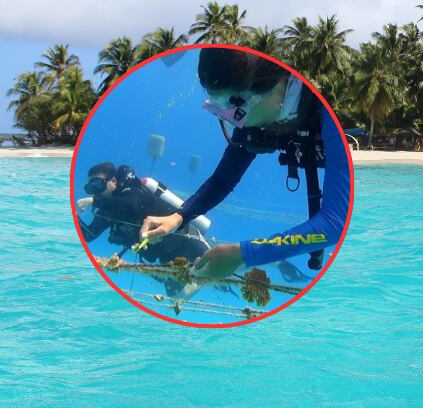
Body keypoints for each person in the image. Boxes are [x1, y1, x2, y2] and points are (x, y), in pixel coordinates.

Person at [139, 48, 351, 281]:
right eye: (218, 103)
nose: (233, 116)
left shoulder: (328, 116)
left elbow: (333, 224)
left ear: (274, 85)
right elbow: (222, 180)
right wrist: (178, 218)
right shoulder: (253, 121)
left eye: (234, 103)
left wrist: (242, 255)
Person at [77, 161, 210, 295]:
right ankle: (204, 279)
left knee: (218, 264)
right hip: (165, 256)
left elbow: (130, 205)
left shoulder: (134, 190)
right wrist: (73, 216)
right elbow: (89, 235)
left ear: (113, 181)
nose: (96, 192)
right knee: (178, 297)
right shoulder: (106, 210)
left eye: (98, 185)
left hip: (187, 239)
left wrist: (95, 201)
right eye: (91, 188)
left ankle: (210, 276)